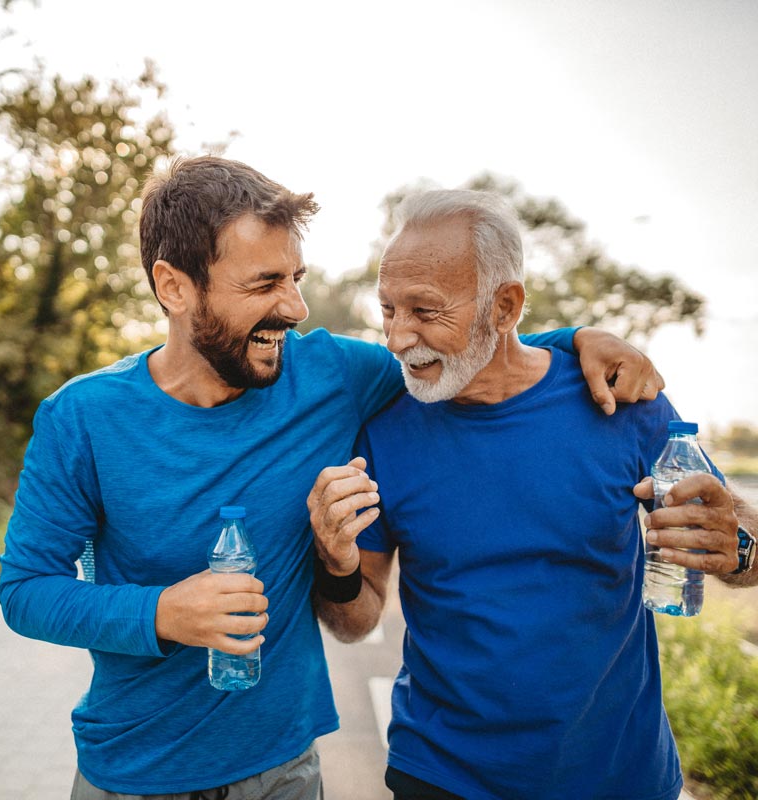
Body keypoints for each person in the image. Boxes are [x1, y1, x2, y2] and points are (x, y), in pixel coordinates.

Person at [0, 157, 666, 800]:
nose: (295, 307)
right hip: (129, 767)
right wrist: (161, 613)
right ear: (174, 287)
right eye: (264, 284)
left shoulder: (332, 377)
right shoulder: (81, 419)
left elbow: (469, 351)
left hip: (280, 768)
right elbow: (25, 590)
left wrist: (579, 340)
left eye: (296, 277)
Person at [307, 189, 758, 800]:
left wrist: (740, 549)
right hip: (441, 777)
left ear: (505, 306)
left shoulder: (620, 403)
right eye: (388, 308)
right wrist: (336, 565)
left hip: (620, 778)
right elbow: (356, 622)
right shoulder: (384, 432)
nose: (396, 336)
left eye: (425, 311)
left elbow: (736, 537)